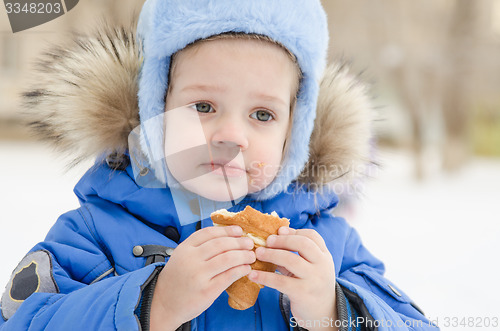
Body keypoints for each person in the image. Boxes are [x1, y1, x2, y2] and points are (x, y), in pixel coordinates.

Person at [0, 1, 438, 330]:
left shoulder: (329, 246)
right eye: (204, 105)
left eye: (262, 115)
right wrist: (151, 304)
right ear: (154, 110)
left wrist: (333, 311)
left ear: (295, 133)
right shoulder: (93, 234)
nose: (231, 135)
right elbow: (21, 319)